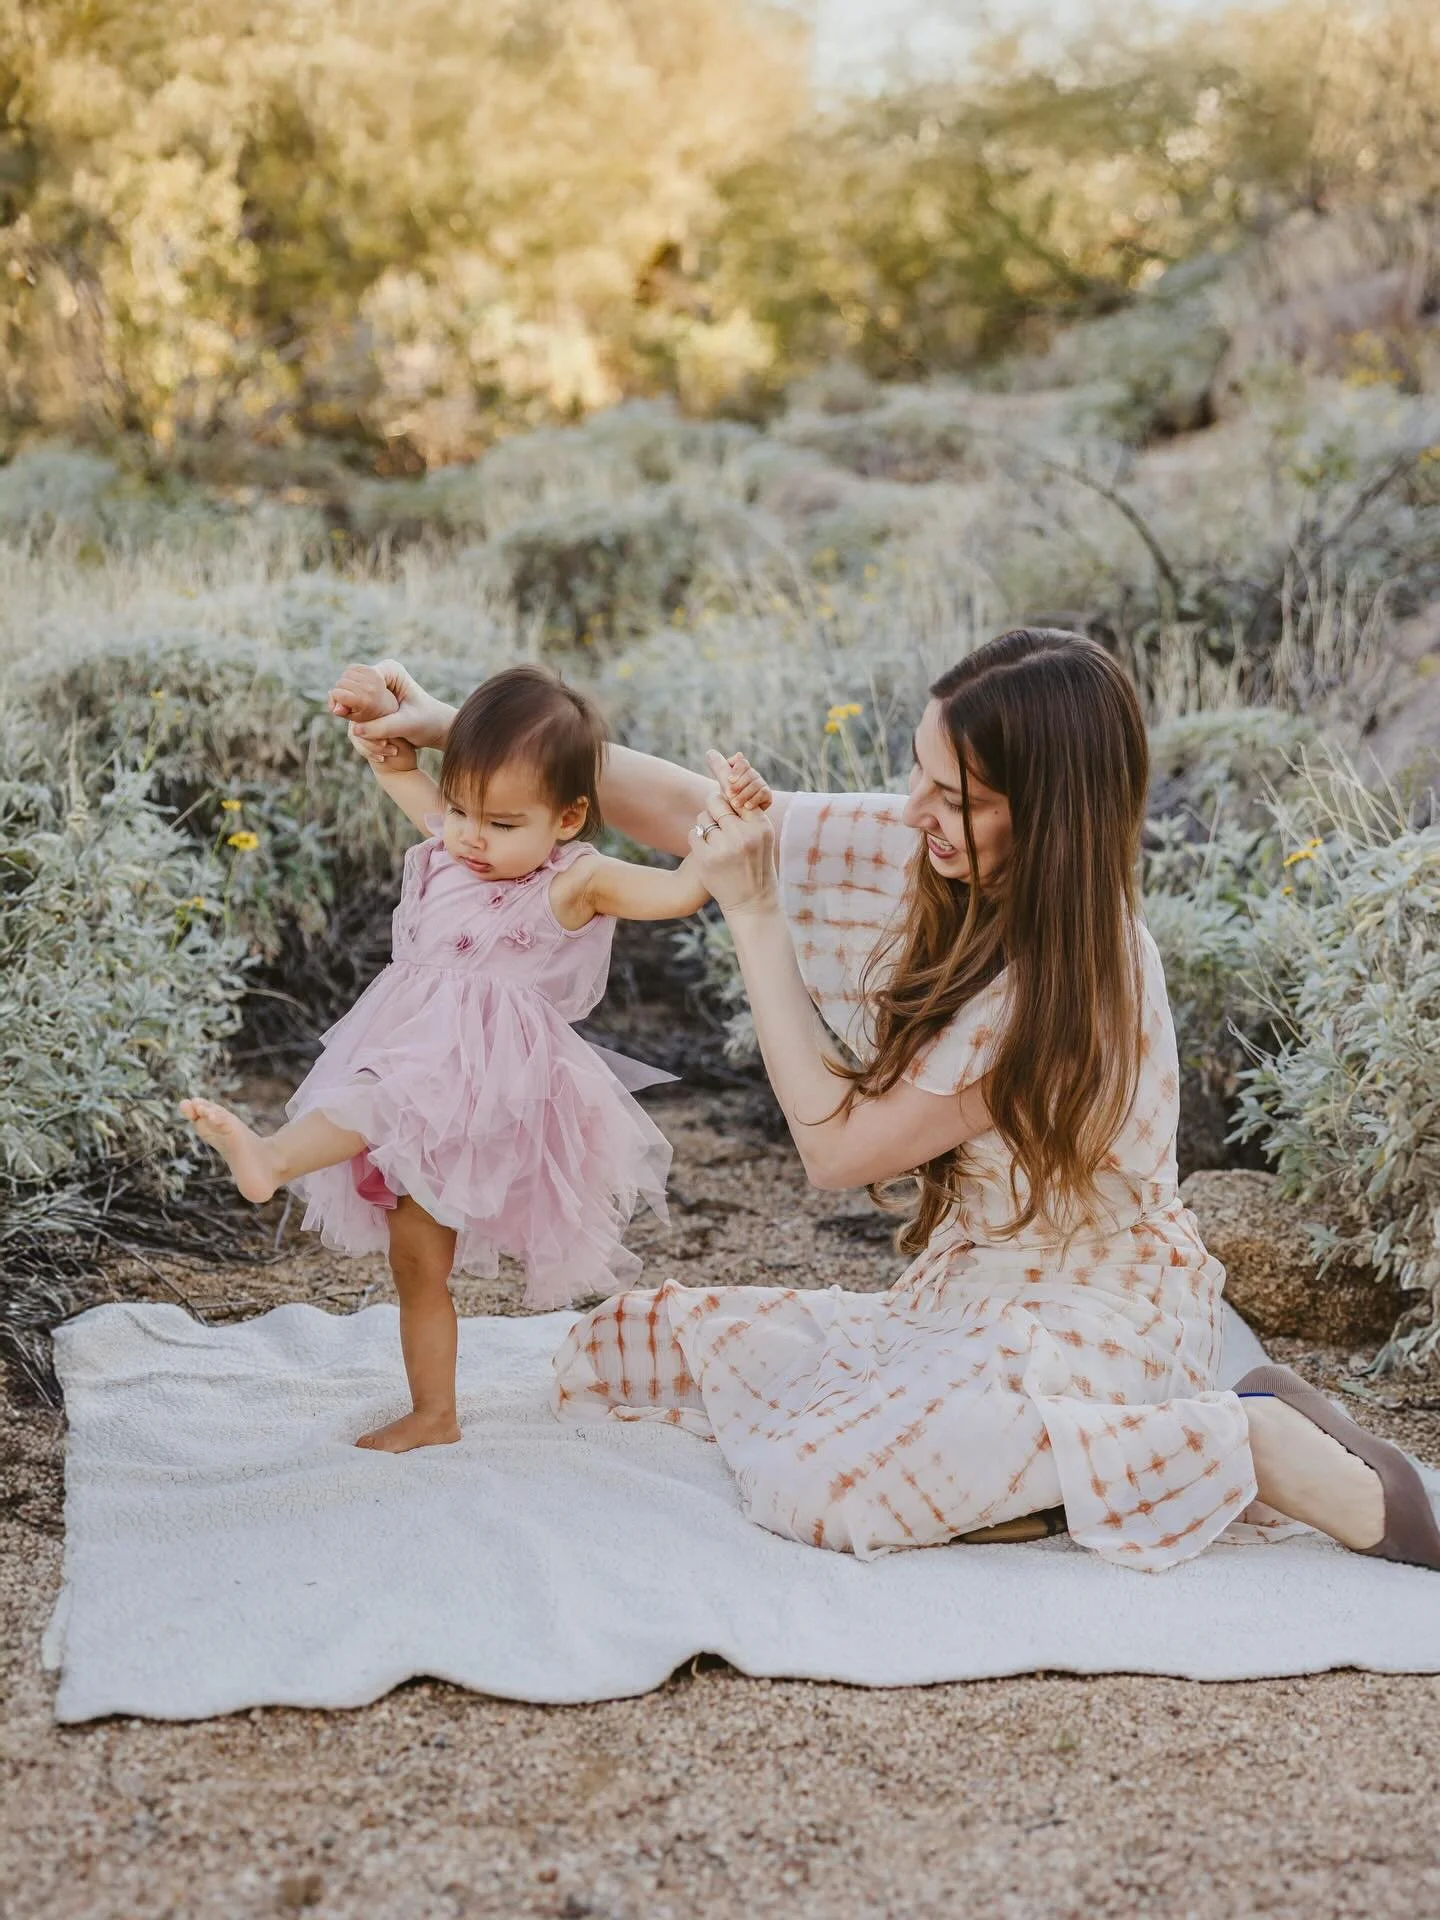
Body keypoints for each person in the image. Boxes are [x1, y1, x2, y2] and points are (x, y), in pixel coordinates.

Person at [330, 634, 1439, 1570]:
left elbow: (837, 1153)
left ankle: (1248, 1442)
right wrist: (456, 730)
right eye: (919, 774)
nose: (916, 811)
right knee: (629, 1346)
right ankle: (1044, 1473)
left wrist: (755, 916)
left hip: (1099, 1313)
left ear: (1047, 814)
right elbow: (685, 810)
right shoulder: (943, 850)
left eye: (955, 797)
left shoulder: (1066, 984)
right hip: (968, 1291)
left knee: (824, 1488)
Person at [182, 663, 770, 1453]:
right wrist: (378, 724)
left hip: (483, 1088)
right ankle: (435, 1414)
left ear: (568, 817)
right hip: (417, 1071)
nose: (469, 835)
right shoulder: (453, 847)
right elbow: (399, 770)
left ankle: (272, 1158)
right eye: (459, 808)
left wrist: (726, 818)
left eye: (500, 822)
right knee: (416, 1261)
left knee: (380, 1097)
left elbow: (678, 893)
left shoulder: (578, 882)